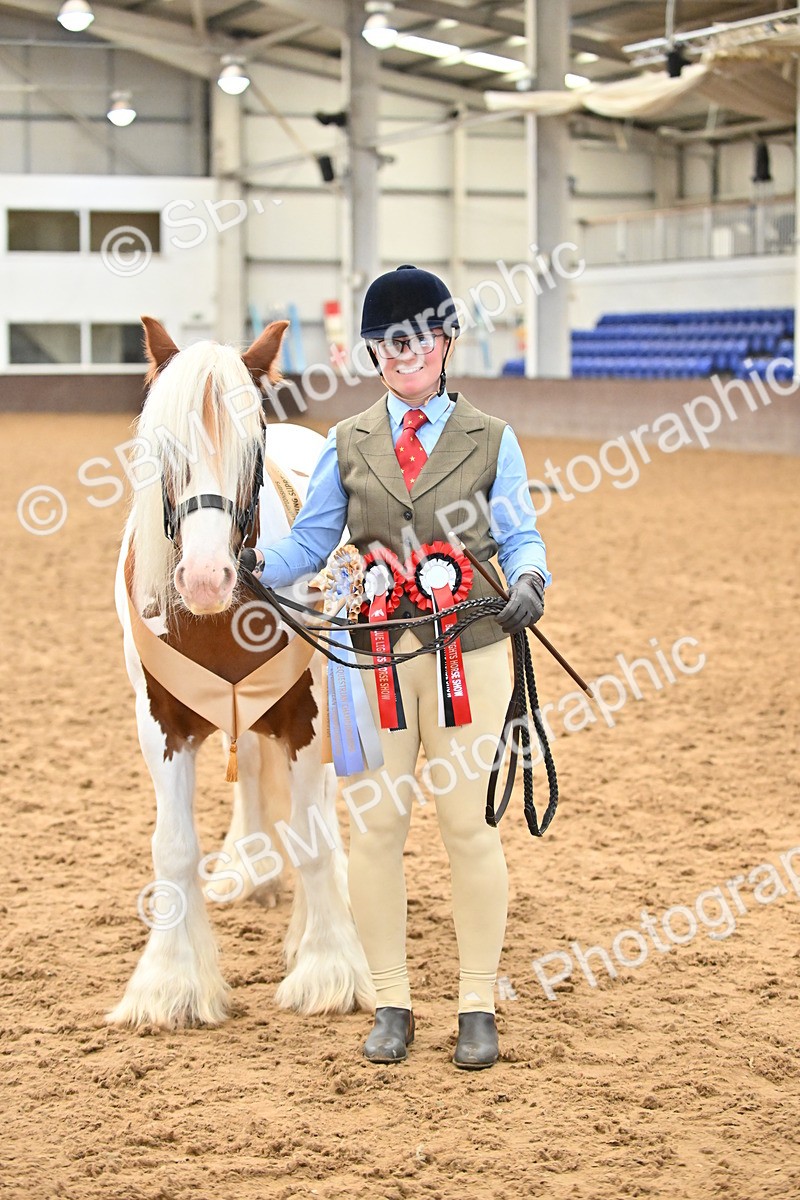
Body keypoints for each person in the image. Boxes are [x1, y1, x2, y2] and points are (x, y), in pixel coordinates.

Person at [251, 265, 550, 1070]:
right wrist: (251, 560)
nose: (402, 353)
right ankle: (391, 1001)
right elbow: (311, 543)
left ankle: (477, 1004)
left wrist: (529, 579)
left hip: (472, 657)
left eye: (417, 338)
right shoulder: (348, 443)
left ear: (447, 342)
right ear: (372, 353)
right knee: (377, 832)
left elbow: (519, 532)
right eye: (386, 342)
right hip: (374, 664)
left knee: (470, 830)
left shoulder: (493, 438)